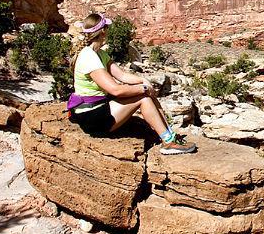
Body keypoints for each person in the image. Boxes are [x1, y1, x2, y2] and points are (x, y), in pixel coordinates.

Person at [67, 13, 196, 155]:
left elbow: (121, 75)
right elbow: (115, 90)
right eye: (107, 28)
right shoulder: (89, 57)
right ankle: (168, 142)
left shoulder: (100, 54)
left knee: (147, 94)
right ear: (103, 31)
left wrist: (143, 81)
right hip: (91, 116)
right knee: (143, 98)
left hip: (97, 107)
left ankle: (170, 136)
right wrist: (143, 89)